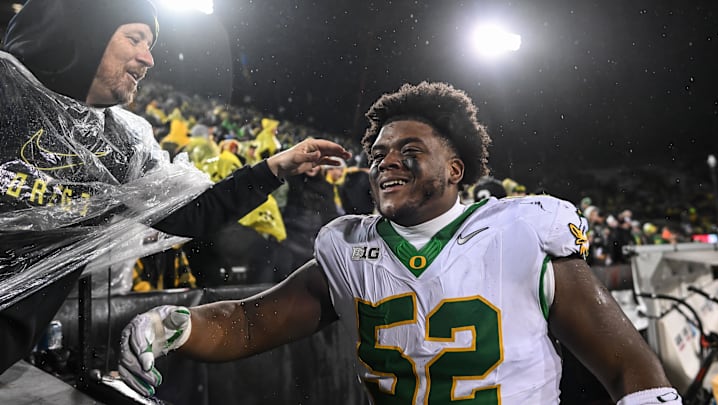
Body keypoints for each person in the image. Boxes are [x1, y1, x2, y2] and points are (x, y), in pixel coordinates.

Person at [120, 82, 681, 404]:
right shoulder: (349, 247)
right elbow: (249, 323)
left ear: (456, 167)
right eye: (380, 152)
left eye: (409, 148)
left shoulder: (523, 229)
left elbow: (628, 367)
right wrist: (176, 324)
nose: (387, 159)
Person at [0, 0, 350, 376]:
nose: (147, 59)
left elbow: (193, 213)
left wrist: (275, 168)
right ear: (83, 34)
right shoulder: (6, 94)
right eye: (134, 38)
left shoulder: (120, 143)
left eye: (149, 44)